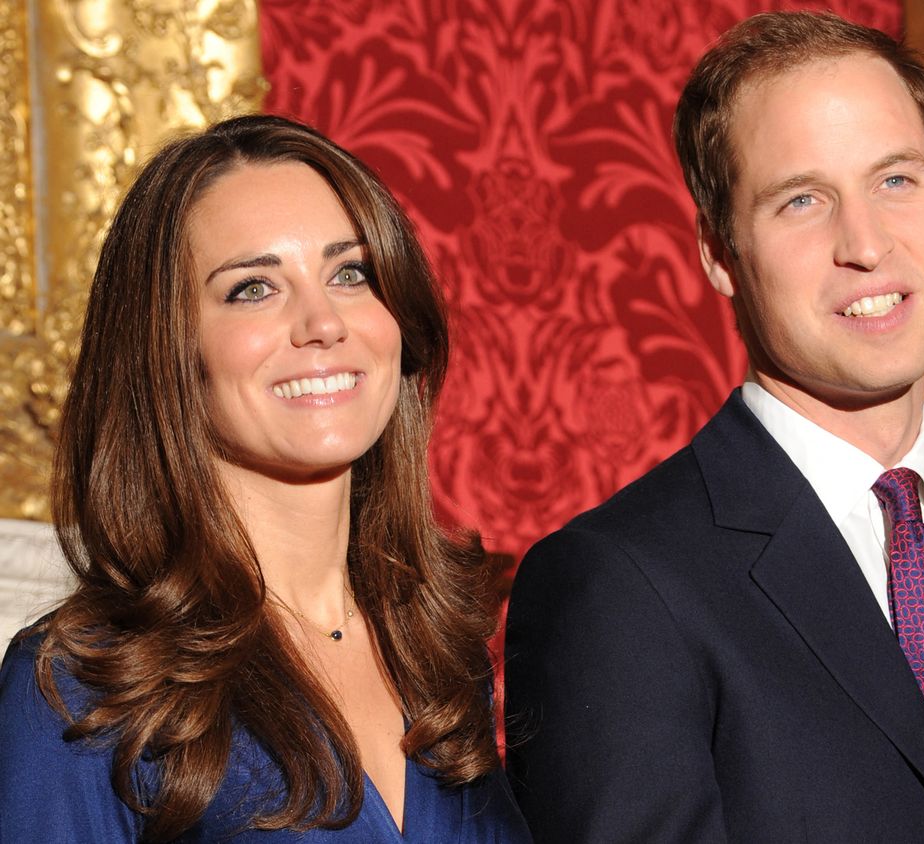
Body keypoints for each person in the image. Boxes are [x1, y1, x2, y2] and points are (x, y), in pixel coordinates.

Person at [504, 11, 924, 844]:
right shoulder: (618, 589)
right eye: (803, 200)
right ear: (719, 251)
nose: (867, 243)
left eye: (897, 180)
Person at [0, 114, 532, 843]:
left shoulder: (441, 653)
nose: (323, 322)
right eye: (253, 288)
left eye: (351, 274)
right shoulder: (78, 687)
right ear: (167, 349)